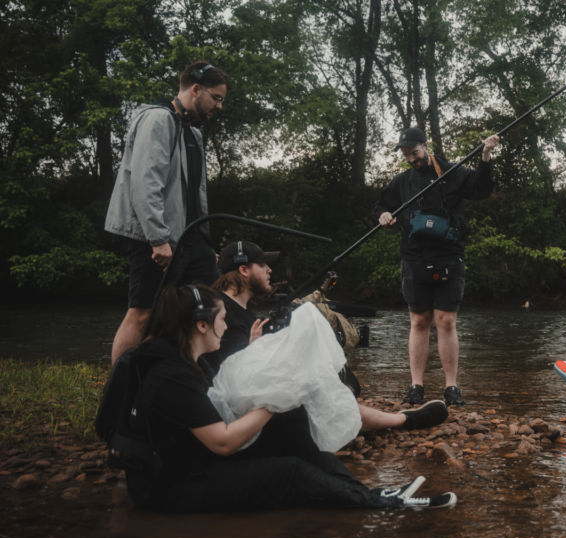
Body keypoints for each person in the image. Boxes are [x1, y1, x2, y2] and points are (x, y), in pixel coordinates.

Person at [125, 283, 456, 513]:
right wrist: (274, 398)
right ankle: (374, 504)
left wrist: (272, 385)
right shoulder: (172, 375)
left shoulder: (184, 357)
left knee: (294, 421)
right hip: (169, 486)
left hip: (192, 460)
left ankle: (364, 493)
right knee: (290, 472)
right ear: (200, 325)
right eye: (221, 320)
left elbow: (221, 400)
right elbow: (223, 443)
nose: (225, 327)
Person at [202, 240, 449, 432]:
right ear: (243, 270)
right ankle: (402, 420)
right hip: (241, 411)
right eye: (262, 265)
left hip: (254, 398)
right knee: (318, 386)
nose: (269, 270)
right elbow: (233, 377)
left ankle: (387, 418)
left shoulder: (240, 310)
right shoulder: (223, 311)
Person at [105, 61, 231, 366]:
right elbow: (144, 183)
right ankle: (119, 391)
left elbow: (193, 196)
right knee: (143, 313)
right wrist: (157, 239)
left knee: (216, 303)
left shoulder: (194, 134)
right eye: (216, 97)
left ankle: (198, 381)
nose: (219, 106)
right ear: (196, 89)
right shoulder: (158, 119)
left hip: (189, 236)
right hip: (154, 237)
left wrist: (204, 242)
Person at [371, 127, 500, 407]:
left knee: (446, 321)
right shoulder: (402, 182)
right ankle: (416, 386)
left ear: (425, 146)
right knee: (418, 322)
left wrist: (486, 154)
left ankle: (451, 387)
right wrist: (381, 215)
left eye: (414, 153)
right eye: (406, 155)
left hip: (449, 257)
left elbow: (481, 189)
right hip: (413, 258)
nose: (411, 159)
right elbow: (380, 205)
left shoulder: (453, 172)